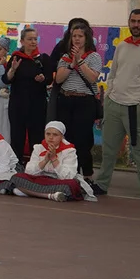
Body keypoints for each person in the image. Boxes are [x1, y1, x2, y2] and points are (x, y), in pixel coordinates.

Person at [94, 10, 140, 202]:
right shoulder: (122, 46)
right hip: (114, 104)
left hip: (136, 108)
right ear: (129, 22)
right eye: (133, 21)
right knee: (108, 149)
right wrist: (109, 94)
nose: (136, 25)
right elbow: (113, 73)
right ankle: (102, 184)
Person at [53, 23, 102, 178]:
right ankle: (68, 174)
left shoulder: (94, 57)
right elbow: (59, 79)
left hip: (84, 102)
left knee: (83, 140)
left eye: (80, 36)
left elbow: (92, 77)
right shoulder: (65, 57)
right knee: (67, 138)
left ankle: (86, 175)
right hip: (66, 100)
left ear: (86, 38)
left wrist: (80, 61)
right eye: (74, 36)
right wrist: (71, 64)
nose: (77, 39)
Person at [10, 121, 97, 202]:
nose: (51, 137)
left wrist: (54, 159)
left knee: (71, 184)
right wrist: (45, 160)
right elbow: (29, 172)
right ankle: (51, 195)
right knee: (17, 177)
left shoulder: (69, 151)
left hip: (58, 181)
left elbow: (68, 176)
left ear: (62, 136)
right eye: (48, 134)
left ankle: (29, 192)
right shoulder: (38, 148)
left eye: (55, 135)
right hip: (41, 179)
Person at [3, 28, 51, 166]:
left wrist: (43, 78)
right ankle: (16, 165)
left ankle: (36, 165)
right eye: (30, 39)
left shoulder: (43, 58)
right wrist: (13, 69)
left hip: (37, 104)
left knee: (36, 137)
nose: (33, 42)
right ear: (22, 41)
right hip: (18, 104)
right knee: (17, 136)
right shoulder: (16, 57)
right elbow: (6, 79)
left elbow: (49, 79)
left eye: (35, 39)